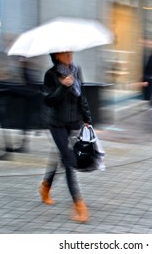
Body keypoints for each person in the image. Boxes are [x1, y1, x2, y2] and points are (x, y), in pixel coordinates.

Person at [39, 51, 92, 223]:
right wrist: (63, 86)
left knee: (60, 155)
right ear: (56, 55)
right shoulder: (51, 74)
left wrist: (87, 119)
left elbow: (82, 95)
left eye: (70, 51)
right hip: (56, 123)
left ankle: (46, 185)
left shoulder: (76, 70)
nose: (69, 55)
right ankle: (79, 205)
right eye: (64, 52)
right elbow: (48, 100)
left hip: (73, 122)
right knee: (69, 161)